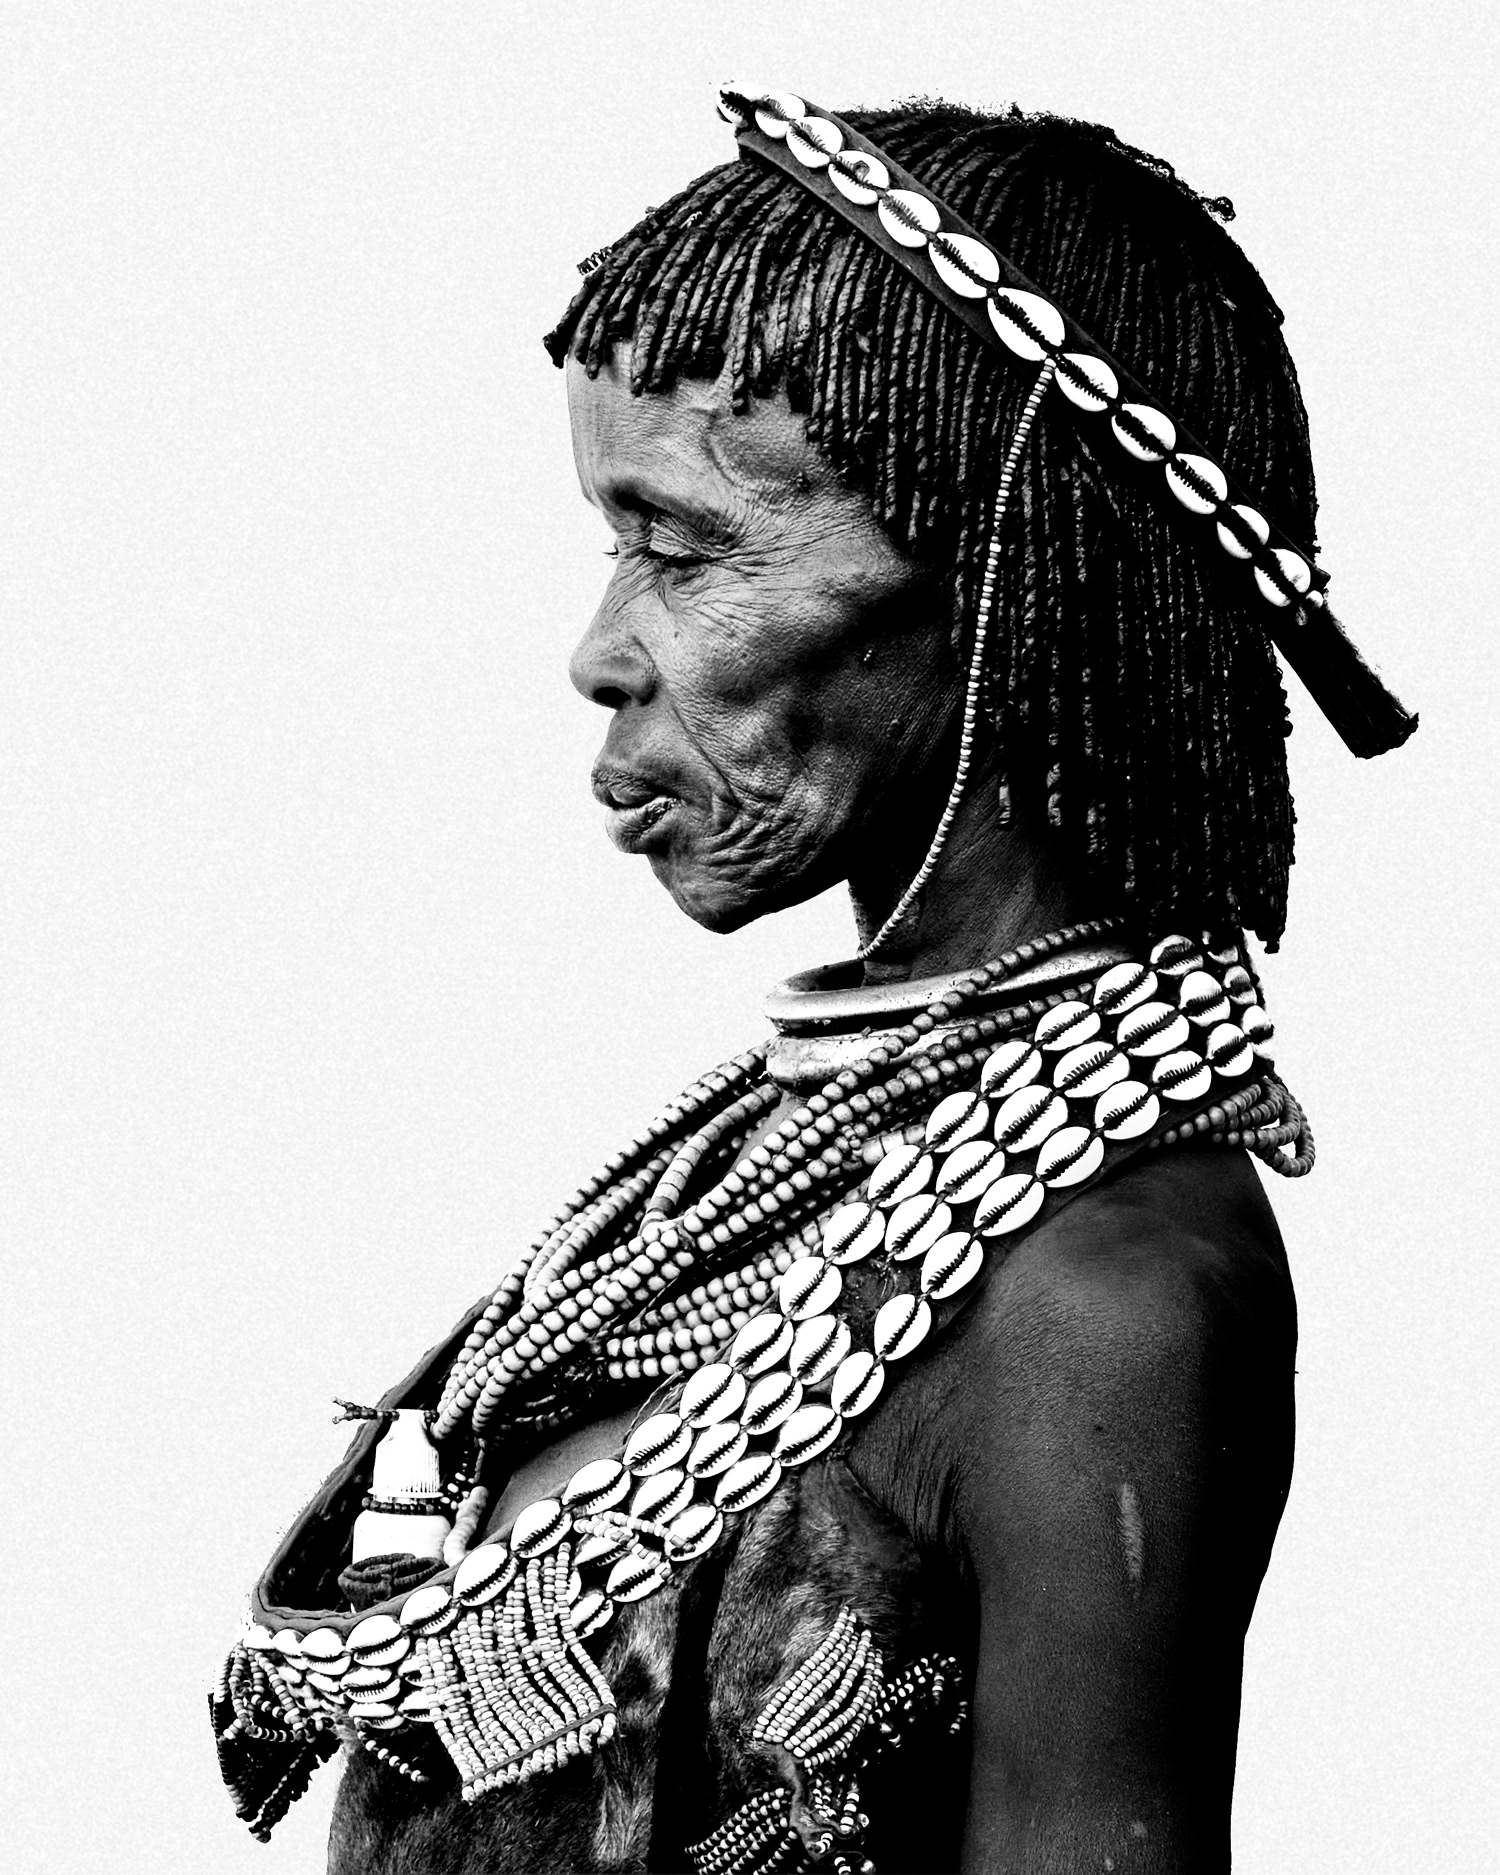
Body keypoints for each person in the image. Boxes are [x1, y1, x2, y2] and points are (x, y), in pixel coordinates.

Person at [212, 90, 1413, 1873]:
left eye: (682, 548)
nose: (601, 650)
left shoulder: (1107, 1298)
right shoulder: (774, 1185)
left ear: (1015, 583)